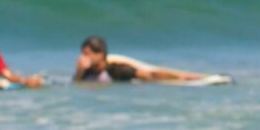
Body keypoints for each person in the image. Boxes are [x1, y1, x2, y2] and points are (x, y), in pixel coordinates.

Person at [72, 36, 214, 84]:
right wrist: (79, 71)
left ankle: (193, 76)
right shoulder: (85, 72)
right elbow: (77, 86)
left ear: (100, 54)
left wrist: (186, 78)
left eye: (88, 54)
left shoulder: (116, 69)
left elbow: (150, 75)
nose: (84, 57)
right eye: (83, 54)